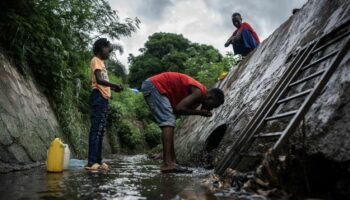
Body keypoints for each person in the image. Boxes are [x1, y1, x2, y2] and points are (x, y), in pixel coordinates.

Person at [141, 72, 225, 173]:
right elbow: (179, 108)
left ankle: (172, 162)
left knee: (169, 122)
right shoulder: (199, 92)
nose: (211, 109)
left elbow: (177, 110)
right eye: (213, 105)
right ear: (210, 97)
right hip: (155, 86)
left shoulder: (197, 100)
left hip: (154, 87)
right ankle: (168, 164)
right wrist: (200, 112)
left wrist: (199, 111)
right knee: (168, 121)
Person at [85, 38, 123, 171]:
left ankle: (98, 161)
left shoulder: (101, 63)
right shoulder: (96, 60)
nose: (109, 51)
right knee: (96, 130)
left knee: (100, 131)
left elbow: (103, 82)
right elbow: (100, 80)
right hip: (98, 97)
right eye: (108, 48)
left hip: (103, 99)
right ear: (101, 48)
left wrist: (113, 89)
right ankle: (91, 162)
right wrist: (114, 85)